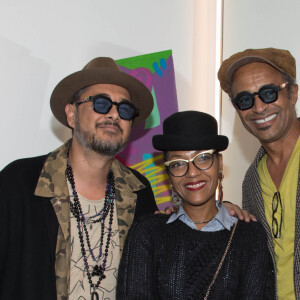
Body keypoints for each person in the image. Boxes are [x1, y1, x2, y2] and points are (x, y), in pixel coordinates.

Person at [0, 57, 158, 300]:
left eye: (124, 109)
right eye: (101, 104)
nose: (114, 114)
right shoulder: (20, 182)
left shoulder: (140, 192)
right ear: (71, 114)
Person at [117, 111, 275, 299]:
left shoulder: (250, 236)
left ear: (220, 163)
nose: (191, 173)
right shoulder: (147, 233)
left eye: (202, 158)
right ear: (168, 173)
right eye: (178, 163)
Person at [218, 47, 300, 299]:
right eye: (244, 99)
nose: (259, 107)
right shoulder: (251, 179)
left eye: (268, 93)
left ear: (293, 93)